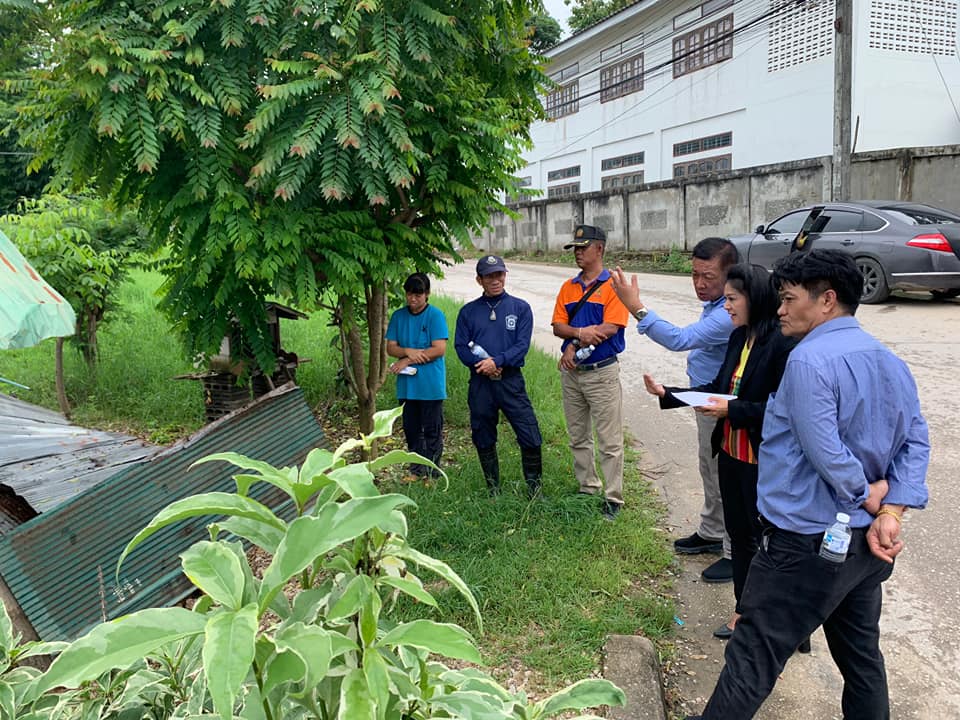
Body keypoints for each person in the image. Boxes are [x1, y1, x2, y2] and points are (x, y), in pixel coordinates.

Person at [687, 249, 930, 720]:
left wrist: (870, 497)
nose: (779, 309)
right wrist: (891, 510)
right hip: (862, 546)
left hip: (804, 542)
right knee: (861, 658)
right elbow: (916, 440)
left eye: (789, 298)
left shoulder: (808, 361)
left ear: (827, 300)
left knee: (753, 655)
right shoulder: (888, 359)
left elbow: (825, 449)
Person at [642, 264, 796, 638]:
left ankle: (777, 619)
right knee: (740, 536)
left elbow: (783, 409)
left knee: (768, 541)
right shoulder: (739, 337)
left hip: (763, 461)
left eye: (731, 299)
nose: (725, 307)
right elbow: (718, 388)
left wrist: (733, 409)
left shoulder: (782, 343)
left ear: (754, 298)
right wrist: (670, 394)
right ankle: (745, 609)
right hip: (730, 453)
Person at [611, 237, 738, 583]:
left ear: (730, 275)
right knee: (708, 467)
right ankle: (712, 531)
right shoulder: (716, 304)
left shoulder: (727, 313)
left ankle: (734, 552)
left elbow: (679, 339)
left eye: (708, 276)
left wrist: (636, 307)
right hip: (705, 398)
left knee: (725, 476)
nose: (699, 283)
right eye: (694, 274)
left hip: (722, 403)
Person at [551, 224, 630, 520]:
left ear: (600, 249)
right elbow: (558, 325)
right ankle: (587, 486)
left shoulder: (614, 286)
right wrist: (578, 335)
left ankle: (613, 497)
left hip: (601, 373)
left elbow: (611, 328)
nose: (578, 253)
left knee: (609, 439)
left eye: (583, 248)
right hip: (573, 373)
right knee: (578, 435)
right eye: (575, 248)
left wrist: (574, 340)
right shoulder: (568, 287)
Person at [454, 255, 543, 497]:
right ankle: (493, 489)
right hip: (481, 383)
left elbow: (521, 346)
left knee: (529, 432)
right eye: (489, 276)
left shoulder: (520, 308)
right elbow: (461, 347)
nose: (495, 280)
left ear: (505, 275)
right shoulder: (468, 312)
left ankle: (534, 489)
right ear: (479, 280)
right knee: (483, 434)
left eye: (499, 274)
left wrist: (498, 361)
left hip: (510, 382)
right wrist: (484, 365)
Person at [386, 272, 448, 480]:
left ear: (427, 294)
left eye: (418, 295)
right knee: (411, 429)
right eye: (410, 294)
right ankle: (416, 470)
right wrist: (407, 352)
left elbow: (439, 349)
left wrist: (406, 360)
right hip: (407, 385)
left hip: (430, 384)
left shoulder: (435, 316)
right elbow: (391, 347)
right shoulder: (398, 316)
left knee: (432, 430)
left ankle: (433, 472)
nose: (413, 299)